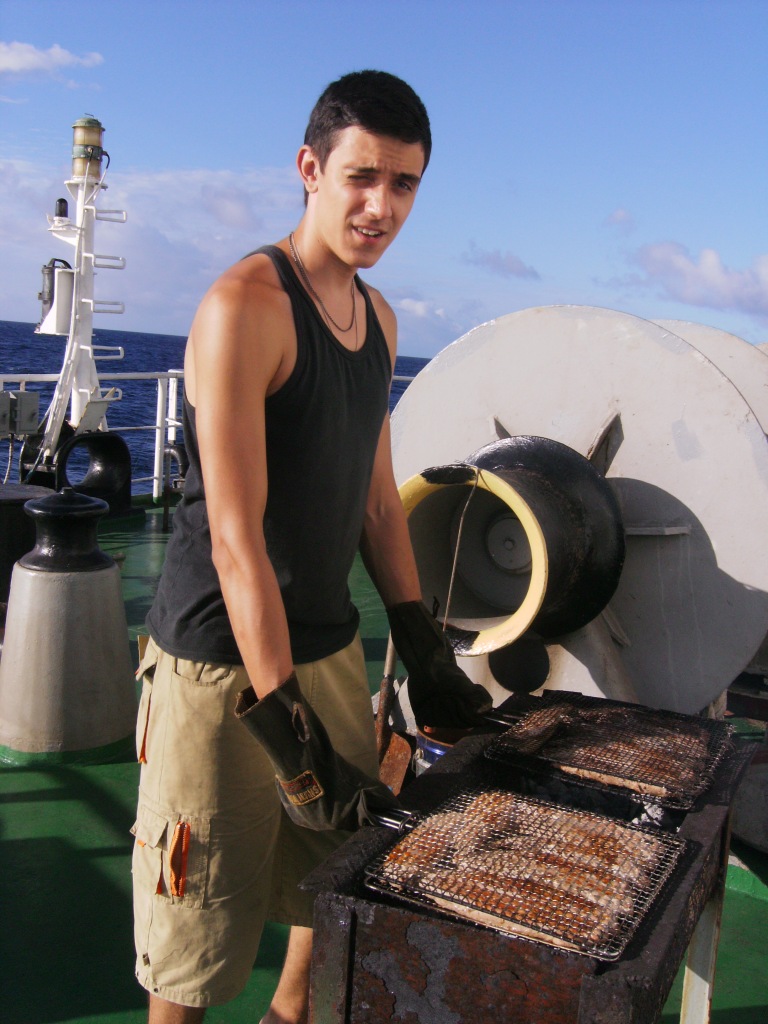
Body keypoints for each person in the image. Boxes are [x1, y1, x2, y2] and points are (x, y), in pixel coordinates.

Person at [132, 70, 490, 1024]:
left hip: (326, 646)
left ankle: (289, 1015)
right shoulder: (245, 306)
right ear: (310, 168)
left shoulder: (380, 321)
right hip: (222, 664)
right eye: (362, 176)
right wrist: (288, 732)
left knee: (333, 874)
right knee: (192, 925)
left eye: (404, 183)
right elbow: (235, 540)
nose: (382, 206)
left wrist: (420, 643)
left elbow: (377, 504)